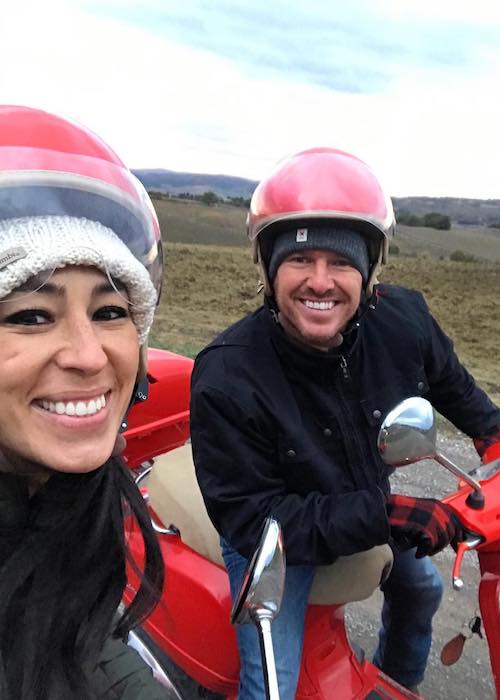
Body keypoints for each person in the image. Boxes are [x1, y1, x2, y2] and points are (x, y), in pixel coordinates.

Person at [190, 147, 500, 698]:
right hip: (274, 540)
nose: (320, 281)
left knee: (421, 592)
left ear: (368, 273)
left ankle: (393, 682)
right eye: (299, 261)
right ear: (268, 269)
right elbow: (253, 519)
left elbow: (457, 390)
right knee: (271, 686)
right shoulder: (228, 374)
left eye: (340, 262)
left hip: (364, 507)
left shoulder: (404, 320)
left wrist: (491, 434)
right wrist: (386, 513)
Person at [0, 105, 169, 699]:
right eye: (30, 315)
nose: (89, 355)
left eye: (109, 312)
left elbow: (70, 645)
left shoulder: (66, 502)